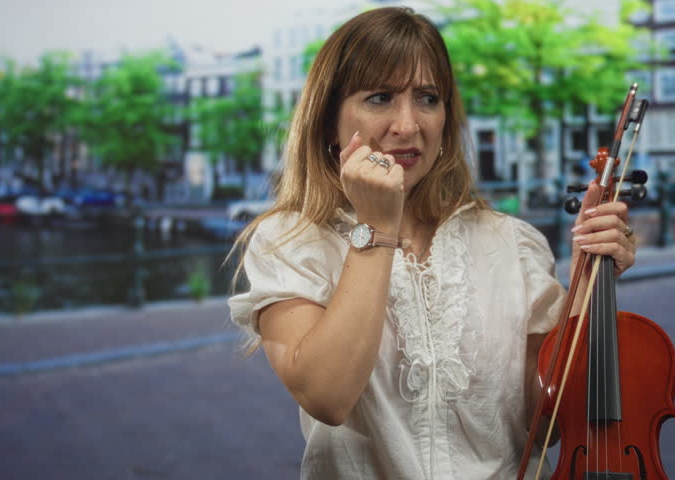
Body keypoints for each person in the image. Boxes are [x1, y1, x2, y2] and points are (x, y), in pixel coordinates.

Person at [228, 7, 637, 479]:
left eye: (427, 98)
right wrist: (378, 227)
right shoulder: (289, 242)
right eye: (380, 97)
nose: (408, 124)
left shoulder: (511, 243)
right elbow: (327, 395)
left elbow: (545, 422)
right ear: (327, 122)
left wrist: (590, 280)